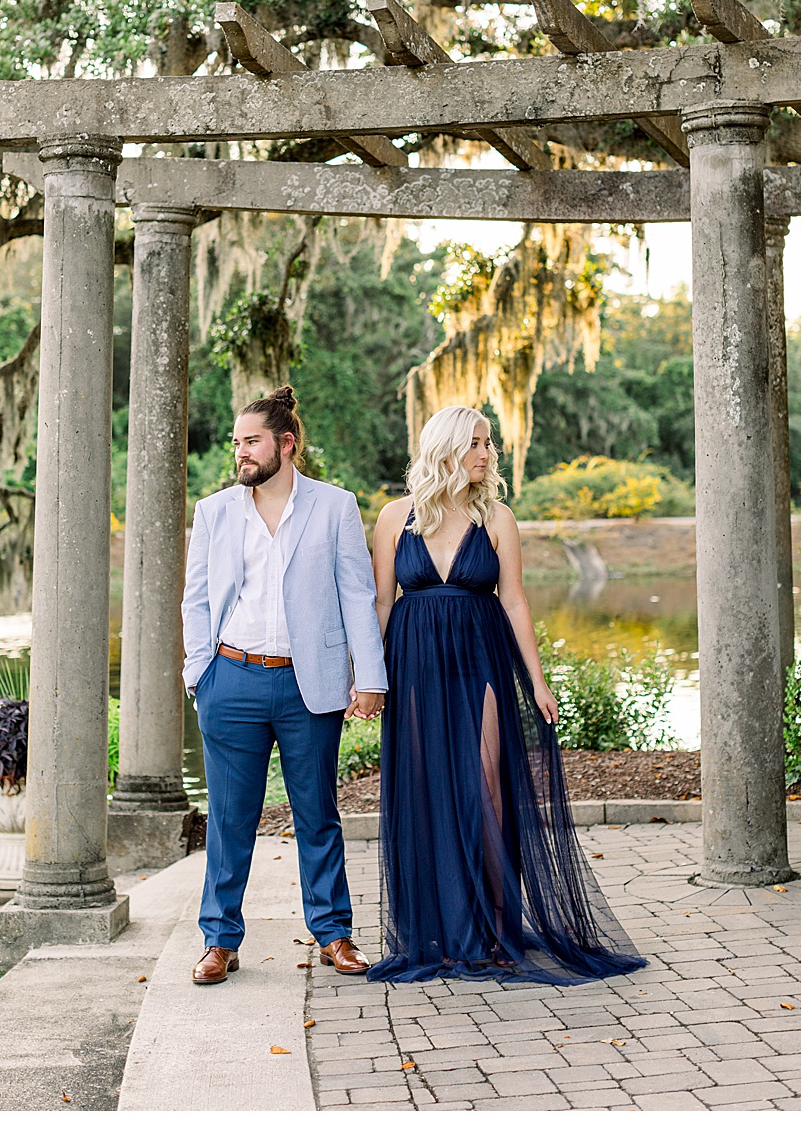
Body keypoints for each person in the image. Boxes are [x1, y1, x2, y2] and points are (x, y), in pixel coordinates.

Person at [367, 405, 647, 984]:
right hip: (414, 663)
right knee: (426, 790)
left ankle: (495, 928)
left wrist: (538, 681)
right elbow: (382, 602)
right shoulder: (396, 517)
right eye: (476, 442)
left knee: (489, 789)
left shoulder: (496, 516)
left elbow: (515, 600)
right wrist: (370, 676)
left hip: (481, 658)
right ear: (446, 447)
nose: (487, 453)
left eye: (489, 442)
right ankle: (439, 934)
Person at [179, 386, 387, 985]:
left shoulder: (335, 507)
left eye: (252, 442)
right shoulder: (215, 512)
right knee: (229, 819)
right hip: (230, 679)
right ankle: (219, 940)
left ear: (286, 444)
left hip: (308, 684)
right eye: (236, 443)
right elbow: (196, 599)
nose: (240, 453)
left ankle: (334, 934)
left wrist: (370, 677)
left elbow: (358, 596)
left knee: (317, 814)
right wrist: (200, 673)